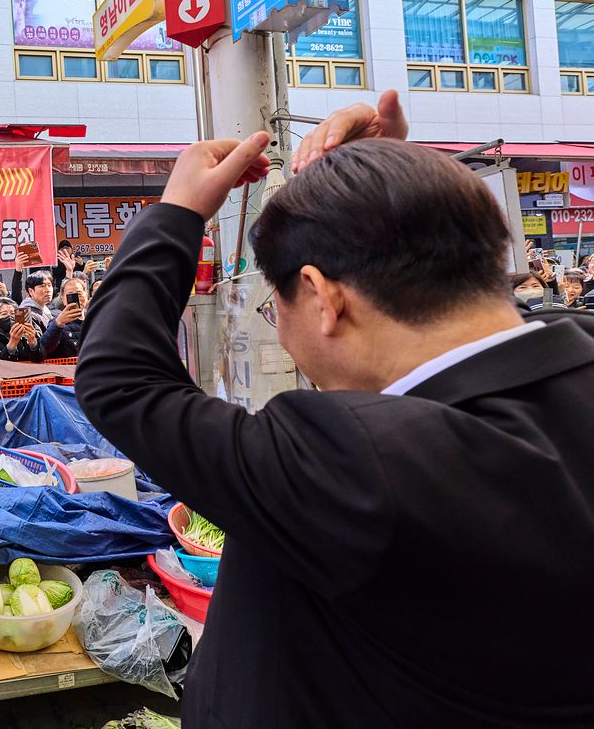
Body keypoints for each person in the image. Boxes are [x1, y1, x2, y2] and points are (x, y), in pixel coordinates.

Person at [76, 89, 594, 727]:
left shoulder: (359, 462)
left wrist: (175, 211)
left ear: (323, 298)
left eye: (277, 308)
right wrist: (392, 191)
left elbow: (118, 379)